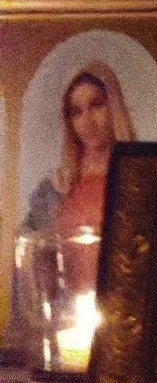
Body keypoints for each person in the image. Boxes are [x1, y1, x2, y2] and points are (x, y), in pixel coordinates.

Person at [19, 62, 136, 294]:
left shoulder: (137, 179)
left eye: (96, 105)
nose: (87, 121)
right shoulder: (57, 187)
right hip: (68, 311)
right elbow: (27, 252)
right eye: (76, 112)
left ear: (114, 106)